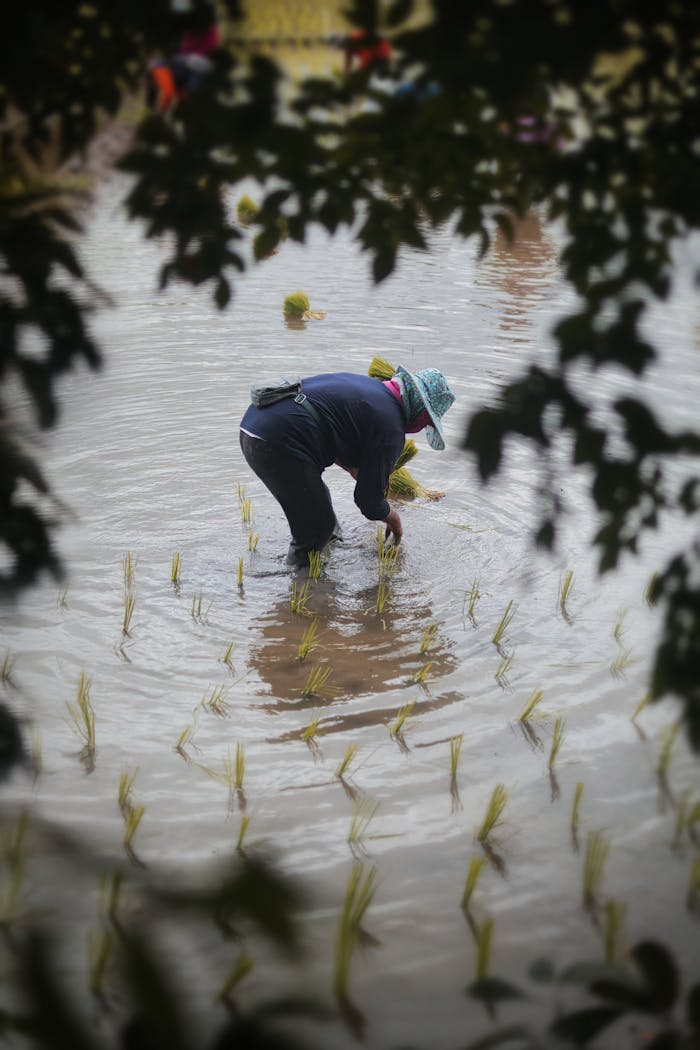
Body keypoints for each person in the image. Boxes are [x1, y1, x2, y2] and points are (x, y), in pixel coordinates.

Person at [239, 367, 455, 568]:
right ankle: (302, 591)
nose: (420, 428)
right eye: (426, 423)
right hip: (278, 443)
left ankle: (314, 568)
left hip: (254, 426)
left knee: (325, 518)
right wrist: (394, 519)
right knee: (316, 530)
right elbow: (368, 502)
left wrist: (352, 467)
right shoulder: (391, 429)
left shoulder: (370, 389)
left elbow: (326, 422)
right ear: (420, 413)